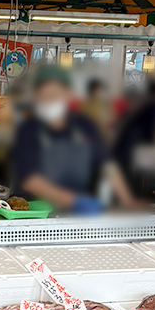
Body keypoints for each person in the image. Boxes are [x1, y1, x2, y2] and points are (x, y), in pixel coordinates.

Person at [12, 64, 138, 213]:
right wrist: (74, 201)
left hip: (73, 212)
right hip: (35, 212)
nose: (48, 101)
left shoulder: (83, 125)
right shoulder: (28, 130)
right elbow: (30, 180)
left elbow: (107, 164)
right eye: (43, 96)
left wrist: (127, 201)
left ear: (68, 94)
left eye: (54, 95)